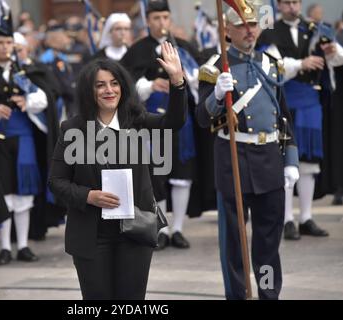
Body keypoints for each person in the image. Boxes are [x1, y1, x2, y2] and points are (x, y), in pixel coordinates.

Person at [48, 42, 187, 300]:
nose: (109, 90)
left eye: (114, 83)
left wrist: (177, 81)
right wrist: (89, 196)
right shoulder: (72, 129)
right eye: (100, 85)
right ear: (90, 92)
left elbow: (173, 122)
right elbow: (56, 181)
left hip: (134, 232)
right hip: (91, 235)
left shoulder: (136, 119)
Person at [197, 2, 300, 299]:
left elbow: (284, 117)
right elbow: (203, 119)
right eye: (241, 25)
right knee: (235, 244)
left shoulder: (270, 63)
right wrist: (217, 94)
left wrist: (290, 158)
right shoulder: (215, 67)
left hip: (269, 158)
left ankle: (268, 293)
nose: (249, 30)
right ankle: (239, 294)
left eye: (253, 24)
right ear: (226, 30)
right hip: (234, 159)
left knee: (268, 242)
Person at [0, 1, 59, 265]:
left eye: (9, 44)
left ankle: (24, 245)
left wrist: (29, 103)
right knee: (3, 192)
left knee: (24, 194)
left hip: (25, 140)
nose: (5, 48)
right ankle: (5, 247)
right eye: (0, 43)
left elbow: (47, 98)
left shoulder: (24, 72)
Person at [258, 0, 343, 240]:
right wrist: (301, 64)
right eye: (286, 3)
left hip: (310, 102)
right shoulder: (270, 31)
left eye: (295, 2)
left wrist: (334, 52)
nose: (292, 7)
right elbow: (270, 65)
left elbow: (338, 60)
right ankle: (287, 220)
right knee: (286, 161)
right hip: (284, 99)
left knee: (308, 162)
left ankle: (306, 217)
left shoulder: (318, 29)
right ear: (278, 5)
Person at [121, 0, 201, 250]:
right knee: (157, 174)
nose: (161, 23)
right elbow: (124, 84)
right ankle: (161, 229)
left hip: (181, 121)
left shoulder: (184, 47)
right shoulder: (136, 51)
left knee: (181, 175)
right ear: (147, 21)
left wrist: (187, 79)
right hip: (152, 122)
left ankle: (178, 228)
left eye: (165, 17)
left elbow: (201, 79)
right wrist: (149, 85)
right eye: (156, 18)